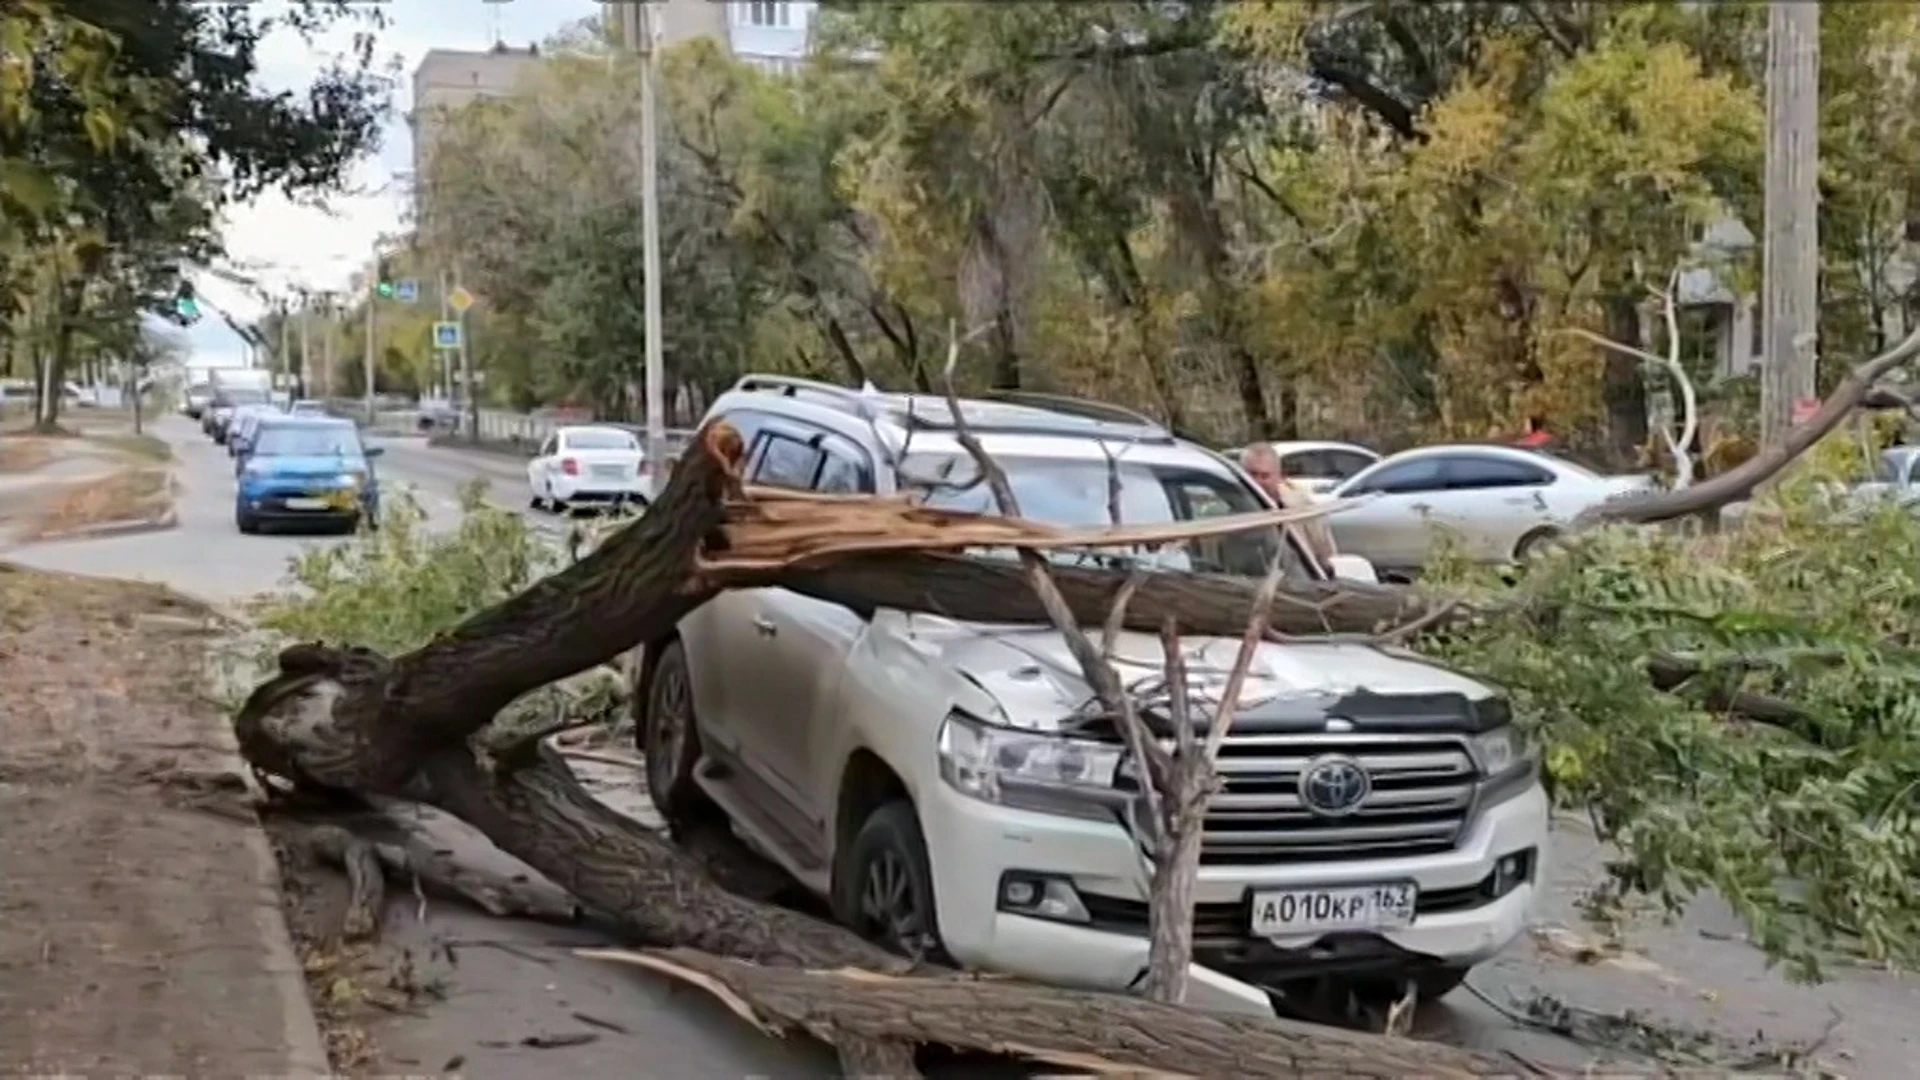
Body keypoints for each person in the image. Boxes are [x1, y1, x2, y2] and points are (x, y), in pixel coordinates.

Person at [1240, 444, 1337, 568]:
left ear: (1278, 476)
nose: (1257, 482)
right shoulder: (1225, 509)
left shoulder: (1301, 509)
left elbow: (1324, 556)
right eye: (1252, 474)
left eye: (1265, 476)